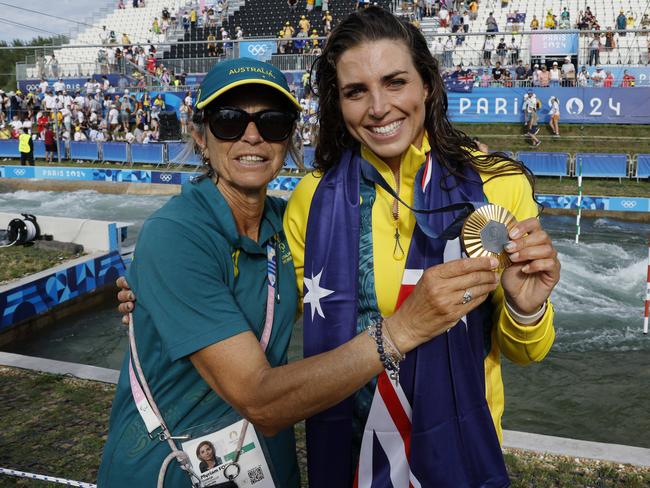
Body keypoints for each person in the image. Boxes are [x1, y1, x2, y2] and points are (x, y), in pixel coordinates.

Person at [102, 57, 491, 487]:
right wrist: (401, 331)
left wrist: (465, 164)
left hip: (264, 469)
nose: (252, 135)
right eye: (229, 121)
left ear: (289, 138)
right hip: (172, 470)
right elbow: (261, 400)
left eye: (273, 122)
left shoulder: (293, 224)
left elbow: (378, 255)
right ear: (199, 136)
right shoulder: (175, 235)